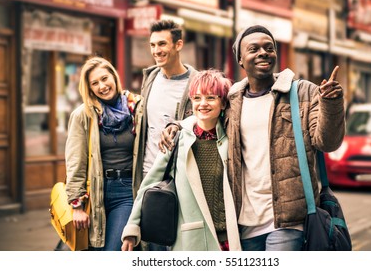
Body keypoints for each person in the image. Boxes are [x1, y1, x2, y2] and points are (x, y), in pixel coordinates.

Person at [160, 25, 345, 251]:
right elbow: (205, 117)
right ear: (240, 59)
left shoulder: (302, 92)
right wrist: (176, 125)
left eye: (269, 48)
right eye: (254, 49)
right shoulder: (233, 99)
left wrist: (331, 104)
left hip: (288, 221)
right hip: (243, 221)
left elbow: (327, 143)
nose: (263, 53)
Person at [121, 69, 241, 251]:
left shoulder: (231, 138)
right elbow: (149, 183)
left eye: (211, 98)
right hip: (192, 241)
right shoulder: (177, 139)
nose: (203, 104)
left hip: (228, 241)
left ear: (223, 103)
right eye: (197, 98)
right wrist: (131, 229)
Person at [65, 56, 143, 251]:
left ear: (114, 77)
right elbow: (76, 162)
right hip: (94, 193)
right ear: (89, 88)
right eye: (95, 83)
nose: (102, 86)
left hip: (126, 191)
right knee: (95, 250)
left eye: (104, 78)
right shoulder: (83, 115)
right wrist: (77, 205)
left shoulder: (137, 108)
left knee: (114, 250)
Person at [136, 19, 198, 250]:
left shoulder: (196, 82)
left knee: (181, 245)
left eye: (162, 44)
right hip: (148, 176)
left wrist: (180, 124)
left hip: (179, 178)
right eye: (152, 45)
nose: (156, 51)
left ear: (178, 44)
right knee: (152, 245)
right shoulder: (149, 79)